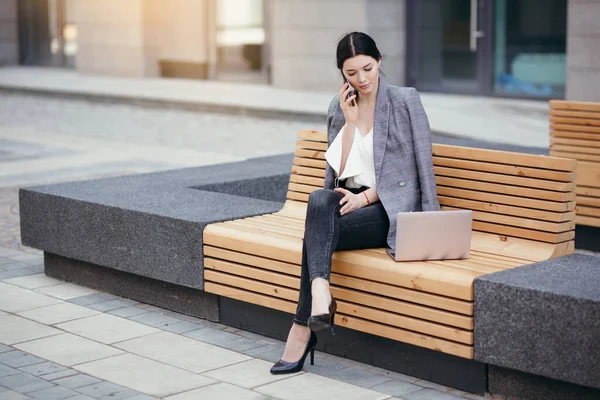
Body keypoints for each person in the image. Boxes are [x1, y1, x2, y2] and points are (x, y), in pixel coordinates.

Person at [270, 32, 440, 375]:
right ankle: (320, 291)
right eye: (351, 73)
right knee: (319, 200)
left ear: (379, 61)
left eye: (367, 68)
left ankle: (302, 327)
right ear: (342, 74)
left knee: (313, 234)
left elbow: (418, 169)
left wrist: (366, 197)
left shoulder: (406, 101)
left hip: (390, 212)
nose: (362, 79)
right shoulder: (339, 107)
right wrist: (349, 124)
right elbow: (338, 176)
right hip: (350, 204)